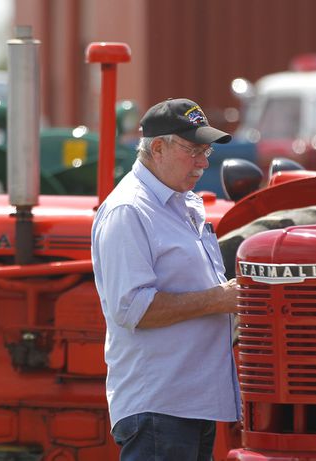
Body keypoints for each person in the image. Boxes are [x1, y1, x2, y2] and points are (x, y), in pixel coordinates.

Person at [91, 98, 241, 460]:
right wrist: (220, 299)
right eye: (194, 150)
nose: (204, 163)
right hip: (161, 406)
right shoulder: (130, 210)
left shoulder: (180, 204)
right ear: (157, 148)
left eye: (205, 151)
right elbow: (134, 309)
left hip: (187, 402)